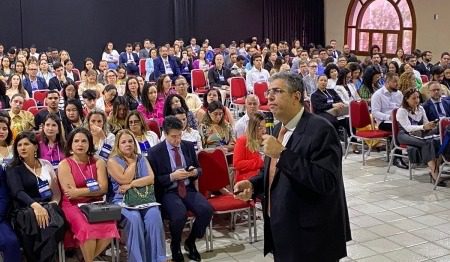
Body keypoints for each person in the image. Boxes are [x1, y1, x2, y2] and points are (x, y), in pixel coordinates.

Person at [234, 72, 351, 261]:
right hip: (283, 229)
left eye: (277, 91)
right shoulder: (278, 127)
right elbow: (274, 171)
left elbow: (327, 181)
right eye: (269, 92)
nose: (269, 97)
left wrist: (282, 153)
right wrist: (254, 185)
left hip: (311, 237)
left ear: (296, 96)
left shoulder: (321, 129)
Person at [148, 116, 213, 262]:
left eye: (179, 135)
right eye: (173, 136)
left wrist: (194, 172)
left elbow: (199, 169)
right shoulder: (155, 152)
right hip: (168, 191)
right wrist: (172, 176)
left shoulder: (187, 146)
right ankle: (175, 245)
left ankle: (191, 241)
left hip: (188, 188)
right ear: (164, 134)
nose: (177, 140)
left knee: (206, 210)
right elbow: (154, 180)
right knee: (179, 215)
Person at [58, 128, 120, 262]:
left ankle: (86, 260)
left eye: (84, 141)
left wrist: (79, 191)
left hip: (96, 204)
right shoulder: (64, 164)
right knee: (87, 229)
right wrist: (93, 190)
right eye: (76, 141)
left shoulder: (98, 162)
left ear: (89, 144)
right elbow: (71, 194)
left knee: (111, 227)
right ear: (70, 144)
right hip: (72, 206)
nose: (80, 144)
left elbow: (103, 189)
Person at [107, 129, 167, 262]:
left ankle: (158, 259)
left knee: (154, 216)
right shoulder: (112, 161)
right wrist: (132, 163)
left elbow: (151, 178)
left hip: (144, 198)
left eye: (130, 141)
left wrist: (132, 184)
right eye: (123, 142)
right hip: (122, 201)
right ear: (118, 145)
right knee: (134, 219)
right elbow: (124, 179)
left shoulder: (142, 158)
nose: (128, 144)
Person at [6, 131, 65, 262]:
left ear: (36, 146)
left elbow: (55, 192)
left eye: (26, 144)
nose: (22, 147)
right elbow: (18, 192)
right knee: (32, 222)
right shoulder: (13, 167)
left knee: (54, 221)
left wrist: (53, 204)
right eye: (19, 145)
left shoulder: (46, 164)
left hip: (49, 205)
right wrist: (36, 206)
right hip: (25, 208)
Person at [396, 88, 442, 185]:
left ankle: (435, 168)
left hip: (420, 133)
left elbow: (425, 123)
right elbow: (408, 128)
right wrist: (423, 127)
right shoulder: (402, 111)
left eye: (418, 97)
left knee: (438, 140)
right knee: (426, 143)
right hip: (404, 134)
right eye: (413, 98)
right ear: (406, 99)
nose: (417, 100)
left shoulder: (420, 108)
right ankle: (435, 174)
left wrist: (431, 125)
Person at [233, 112, 265, 182]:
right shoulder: (242, 140)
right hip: (247, 179)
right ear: (253, 127)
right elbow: (237, 164)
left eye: (265, 127)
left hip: (263, 177)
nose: (264, 131)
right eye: (260, 127)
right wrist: (261, 162)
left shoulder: (268, 141)